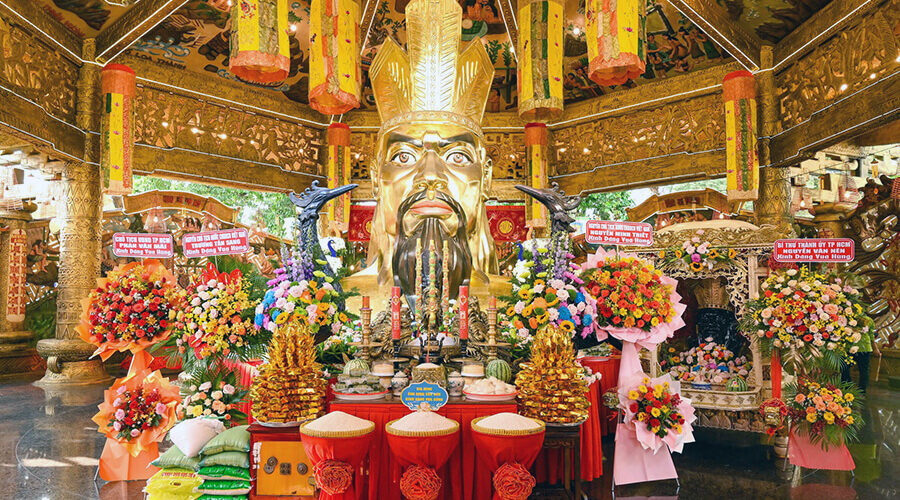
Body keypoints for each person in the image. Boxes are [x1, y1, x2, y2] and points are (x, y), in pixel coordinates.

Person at [842, 317, 881, 393]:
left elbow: (871, 336)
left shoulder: (849, 317)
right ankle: (861, 390)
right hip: (862, 348)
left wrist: (876, 349)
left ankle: (847, 387)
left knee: (845, 368)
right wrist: (875, 349)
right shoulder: (869, 319)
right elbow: (871, 336)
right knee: (863, 370)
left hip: (852, 347)